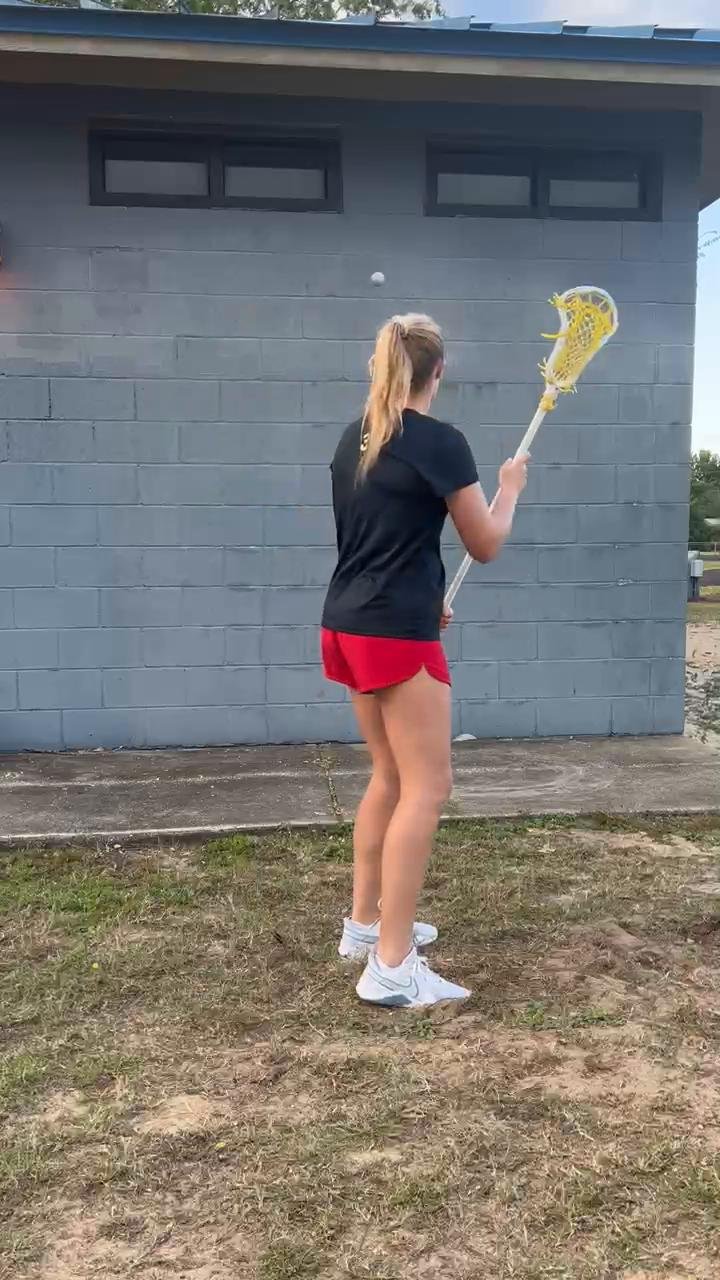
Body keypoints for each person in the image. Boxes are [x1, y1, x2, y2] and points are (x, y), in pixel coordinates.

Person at [321, 313, 529, 1008]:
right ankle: (391, 965)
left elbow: (380, 539)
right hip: (393, 632)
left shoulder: (356, 437)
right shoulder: (439, 441)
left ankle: (365, 926)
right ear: (438, 371)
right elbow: (486, 542)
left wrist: (423, 595)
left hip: (348, 622)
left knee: (389, 775)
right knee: (426, 787)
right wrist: (509, 487)